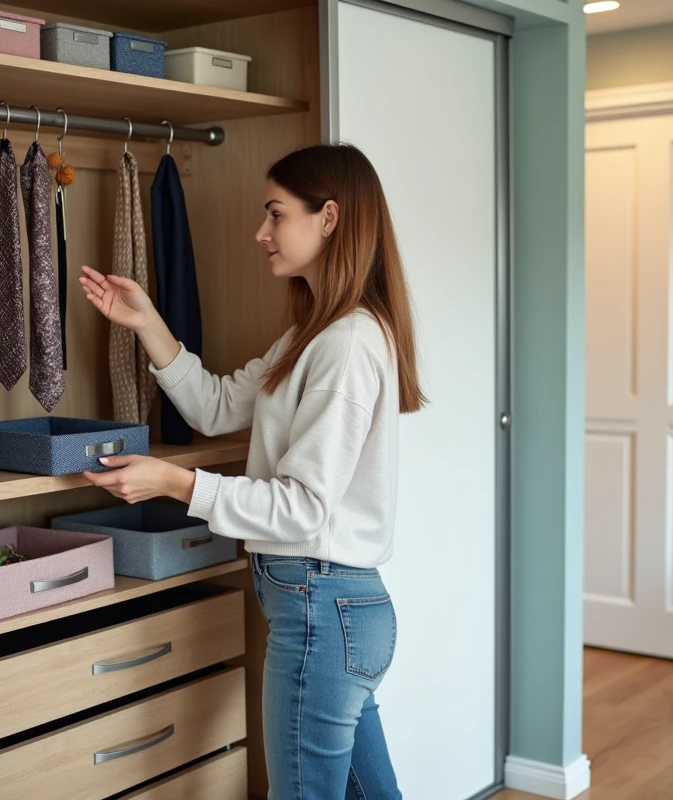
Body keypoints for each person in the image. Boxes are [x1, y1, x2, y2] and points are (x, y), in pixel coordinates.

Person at [78, 143, 424, 800]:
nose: (261, 233)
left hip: (322, 608)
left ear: (329, 218)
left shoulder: (347, 344)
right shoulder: (312, 335)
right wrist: (147, 322)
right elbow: (215, 407)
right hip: (336, 610)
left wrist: (174, 483)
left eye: (276, 214)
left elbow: (302, 506)